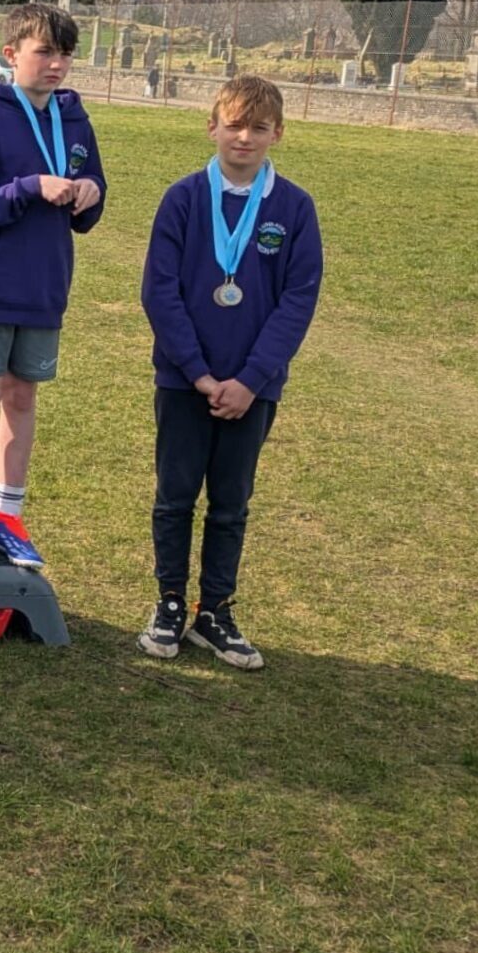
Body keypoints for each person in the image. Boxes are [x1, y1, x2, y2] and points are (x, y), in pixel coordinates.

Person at [136, 76, 321, 669]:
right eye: (235, 125)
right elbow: (160, 291)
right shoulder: (183, 199)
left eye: (259, 128)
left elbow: (298, 300)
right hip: (183, 380)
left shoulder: (294, 208)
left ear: (278, 134)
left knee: (231, 502)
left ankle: (214, 611)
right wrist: (197, 372)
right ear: (211, 126)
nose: (245, 137)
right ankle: (169, 602)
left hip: (252, 388)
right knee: (175, 496)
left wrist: (251, 379)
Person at [0, 2, 105, 570]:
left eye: (65, 54)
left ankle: (9, 517)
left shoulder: (76, 121)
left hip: (45, 285)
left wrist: (90, 193)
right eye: (45, 52)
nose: (56, 64)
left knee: (22, 398)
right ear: (12, 55)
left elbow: (90, 206)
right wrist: (29, 186)